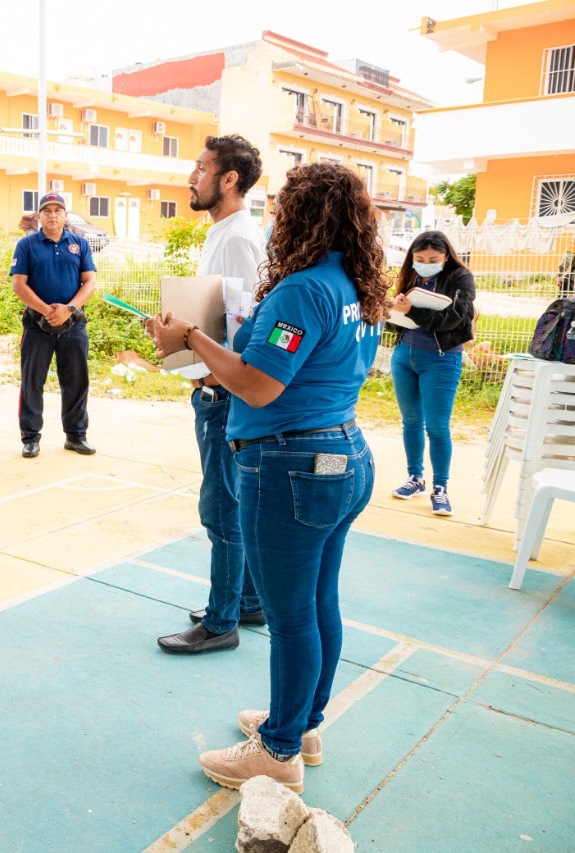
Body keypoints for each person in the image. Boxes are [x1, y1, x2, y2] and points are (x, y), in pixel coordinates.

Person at [148, 162, 385, 793]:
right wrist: (204, 347)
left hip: (292, 466)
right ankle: (301, 724)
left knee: (289, 616)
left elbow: (258, 382)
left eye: (285, 208)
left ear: (304, 215)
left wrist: (191, 336)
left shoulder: (302, 291)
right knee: (316, 603)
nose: (276, 218)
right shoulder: (355, 286)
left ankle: (277, 749)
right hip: (342, 455)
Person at [156, 135, 267, 656]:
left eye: (201, 168)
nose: (191, 177)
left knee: (223, 511)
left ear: (229, 179)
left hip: (223, 396)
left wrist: (215, 382)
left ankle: (223, 621)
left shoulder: (238, 238)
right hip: (214, 389)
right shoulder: (224, 233)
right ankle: (245, 599)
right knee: (230, 506)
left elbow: (245, 325)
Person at [387, 230, 476, 517]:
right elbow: (399, 322)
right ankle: (416, 478)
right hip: (404, 357)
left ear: (446, 256)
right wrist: (390, 313)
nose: (425, 263)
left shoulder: (460, 278)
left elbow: (452, 320)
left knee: (437, 426)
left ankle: (441, 488)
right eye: (419, 258)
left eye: (433, 259)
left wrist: (412, 310)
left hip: (441, 359)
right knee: (411, 421)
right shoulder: (410, 277)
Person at [9, 192, 97, 458]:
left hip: (73, 325)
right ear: (39, 216)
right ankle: (31, 438)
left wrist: (68, 310)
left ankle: (76, 436)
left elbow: (89, 282)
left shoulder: (79, 244)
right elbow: (19, 284)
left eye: (58, 210)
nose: (53, 215)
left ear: (65, 215)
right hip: (38, 325)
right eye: (47, 211)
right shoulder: (26, 245)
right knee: (32, 382)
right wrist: (48, 311)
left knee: (76, 382)